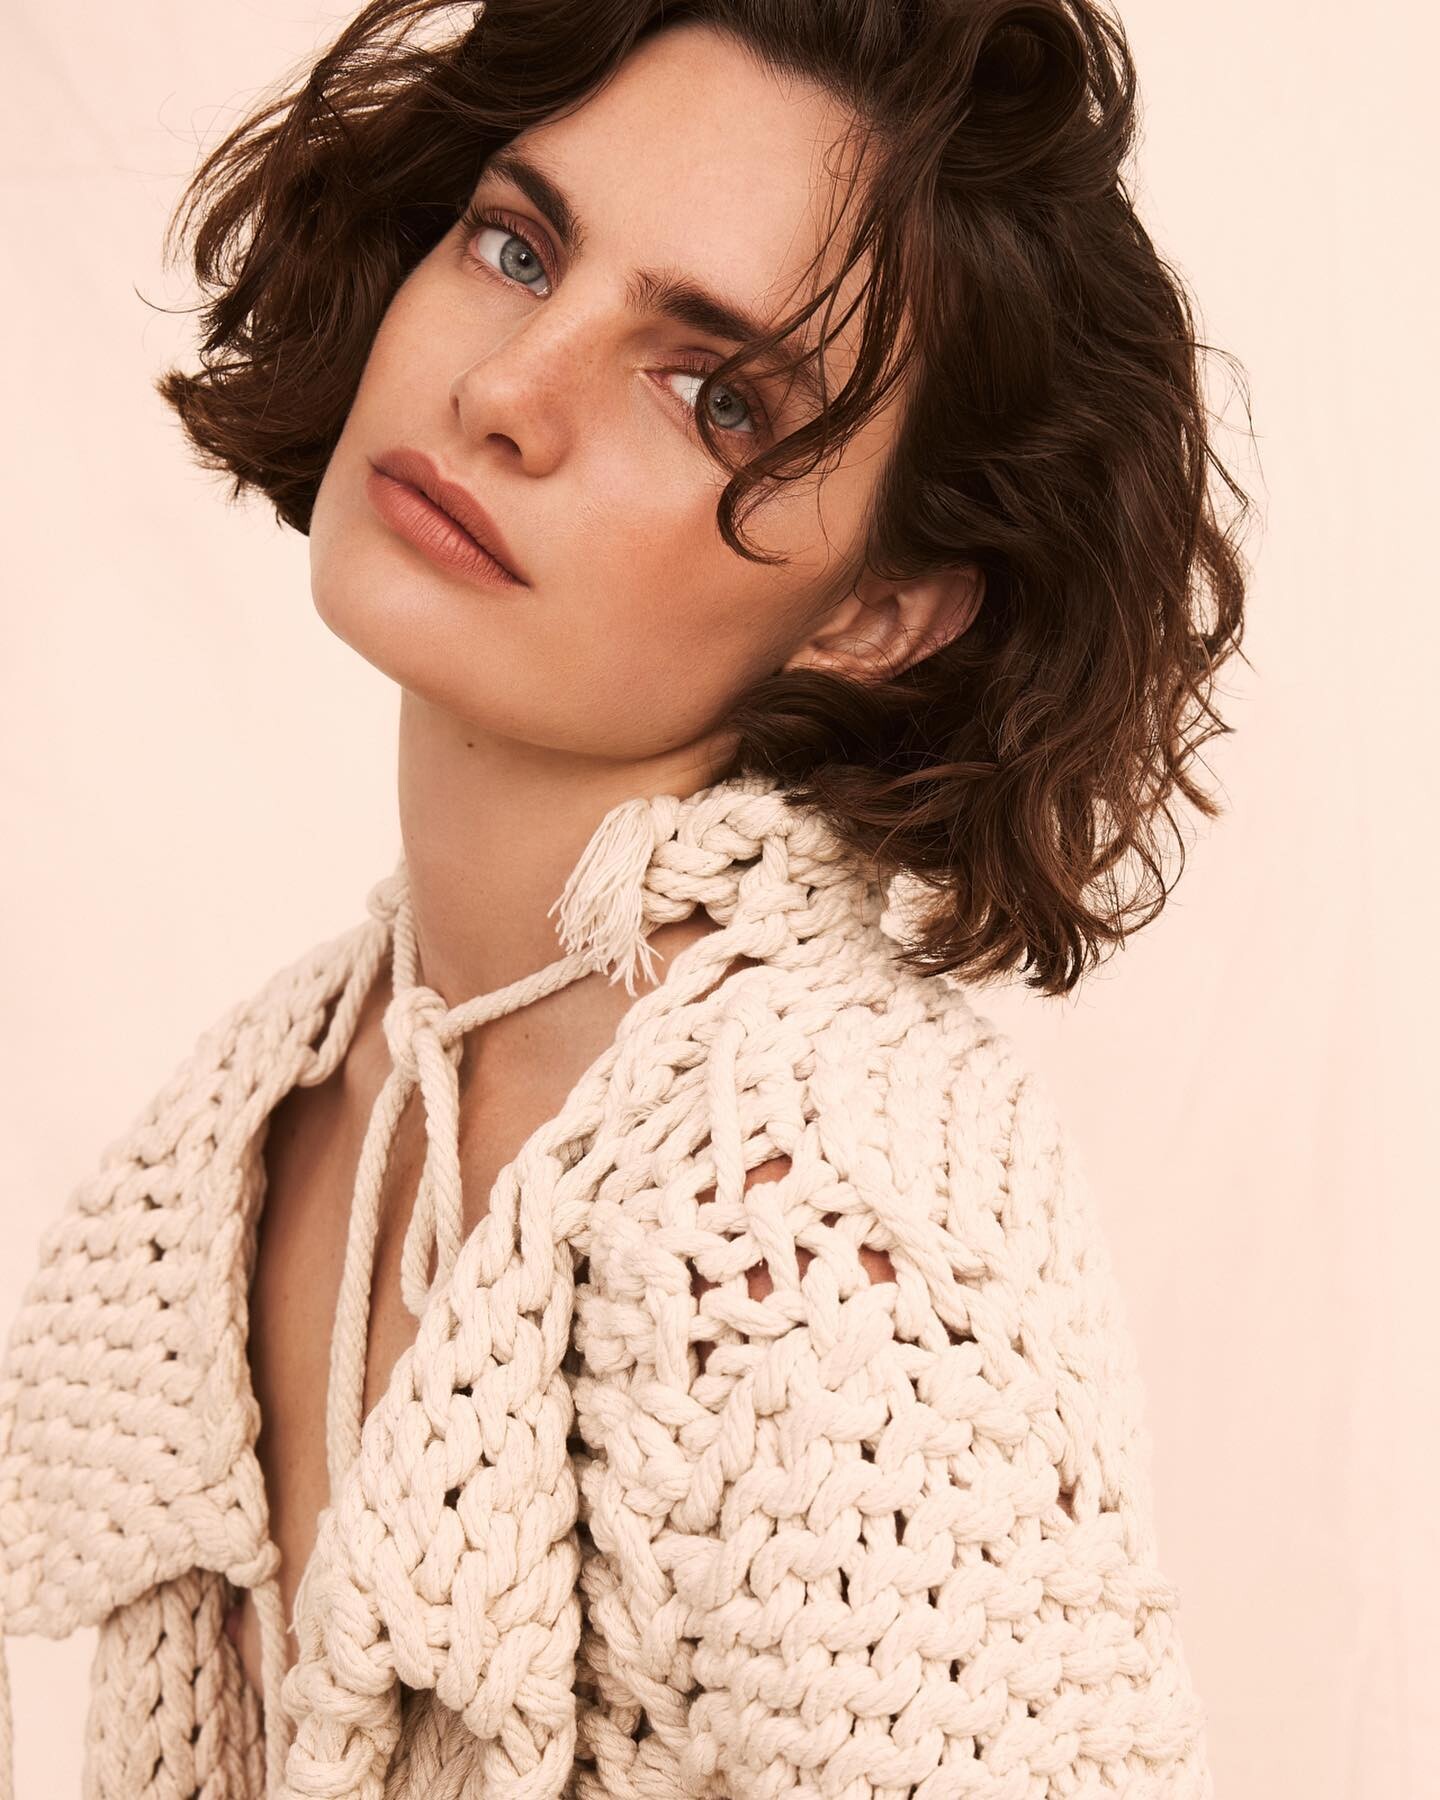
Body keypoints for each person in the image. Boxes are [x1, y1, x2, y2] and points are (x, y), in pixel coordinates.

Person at [0, 2, 1251, 1796]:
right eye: (516, 247)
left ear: (878, 610)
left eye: (716, 396)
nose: (505, 392)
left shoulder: (823, 1221)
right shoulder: (258, 1116)